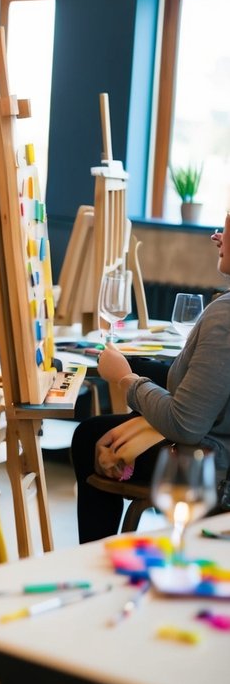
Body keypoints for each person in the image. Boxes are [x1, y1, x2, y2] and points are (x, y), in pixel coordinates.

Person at [71, 220, 230, 543]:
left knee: (89, 436)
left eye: (226, 230)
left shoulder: (224, 315)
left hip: (213, 463)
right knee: (147, 373)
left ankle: (94, 560)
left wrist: (125, 379)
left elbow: (185, 424)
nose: (217, 237)